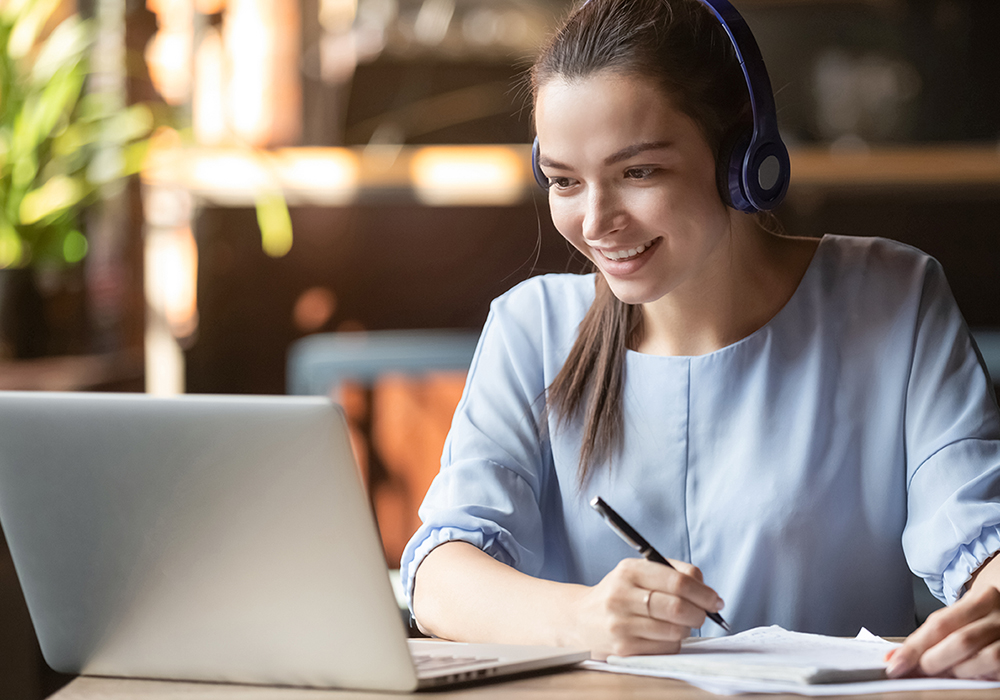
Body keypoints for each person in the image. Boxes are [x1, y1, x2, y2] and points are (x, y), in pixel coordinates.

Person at [399, 0, 1000, 679]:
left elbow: (976, 531)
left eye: (638, 173)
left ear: (742, 157)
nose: (596, 223)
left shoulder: (894, 297)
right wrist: (588, 619)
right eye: (564, 181)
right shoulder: (531, 326)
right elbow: (439, 575)